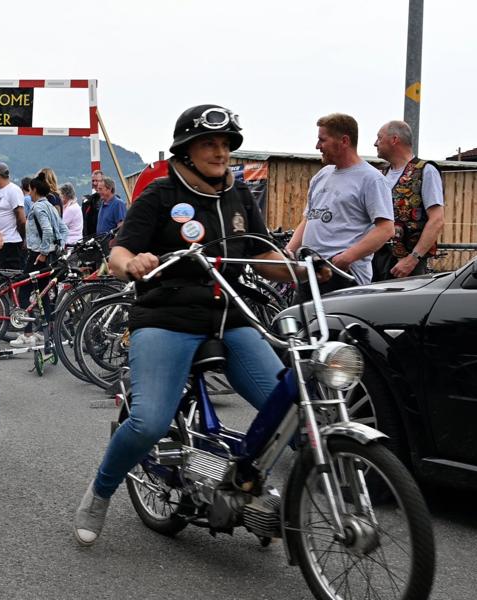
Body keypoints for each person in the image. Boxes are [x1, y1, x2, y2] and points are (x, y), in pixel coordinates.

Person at [73, 105, 327, 546]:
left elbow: (263, 253)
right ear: (186, 151)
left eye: (226, 143)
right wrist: (133, 261)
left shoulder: (240, 195)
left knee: (289, 408)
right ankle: (101, 490)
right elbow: (118, 254)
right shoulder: (159, 195)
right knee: (149, 422)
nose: (220, 151)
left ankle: (246, 484)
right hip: (166, 319)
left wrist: (301, 271)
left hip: (229, 317)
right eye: (210, 143)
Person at [285, 113, 393, 292]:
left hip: (343, 275)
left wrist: (347, 257)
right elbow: (309, 219)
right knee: (297, 319)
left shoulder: (371, 179)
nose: (317, 146)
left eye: (322, 140)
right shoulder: (322, 175)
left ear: (344, 141)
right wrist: (288, 252)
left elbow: (385, 229)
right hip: (311, 271)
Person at [372, 120, 445, 279]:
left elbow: (437, 220)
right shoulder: (380, 175)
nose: (375, 143)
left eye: (379, 138)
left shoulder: (426, 171)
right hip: (378, 259)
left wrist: (413, 259)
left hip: (409, 265)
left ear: (394, 139)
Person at [10, 175, 64, 348]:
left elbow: (47, 230)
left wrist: (42, 252)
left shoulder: (38, 207)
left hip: (37, 255)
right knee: (43, 293)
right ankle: (45, 332)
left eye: (30, 190)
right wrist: (57, 247)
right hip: (51, 255)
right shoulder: (51, 206)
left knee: (24, 292)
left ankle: (27, 333)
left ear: (33, 190)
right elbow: (63, 228)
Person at [0, 161, 27, 276]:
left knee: (10, 278)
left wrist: (23, 237)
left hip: (10, 242)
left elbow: (21, 217)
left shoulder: (13, 190)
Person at [82, 169, 105, 237]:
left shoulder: (112, 200)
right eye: (93, 181)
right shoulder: (89, 201)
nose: (94, 183)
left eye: (97, 181)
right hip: (91, 238)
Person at [60, 182, 83, 247]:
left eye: (61, 195)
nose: (60, 197)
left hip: (71, 243)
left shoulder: (71, 209)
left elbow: (61, 225)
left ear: (66, 195)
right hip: (74, 241)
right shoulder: (74, 205)